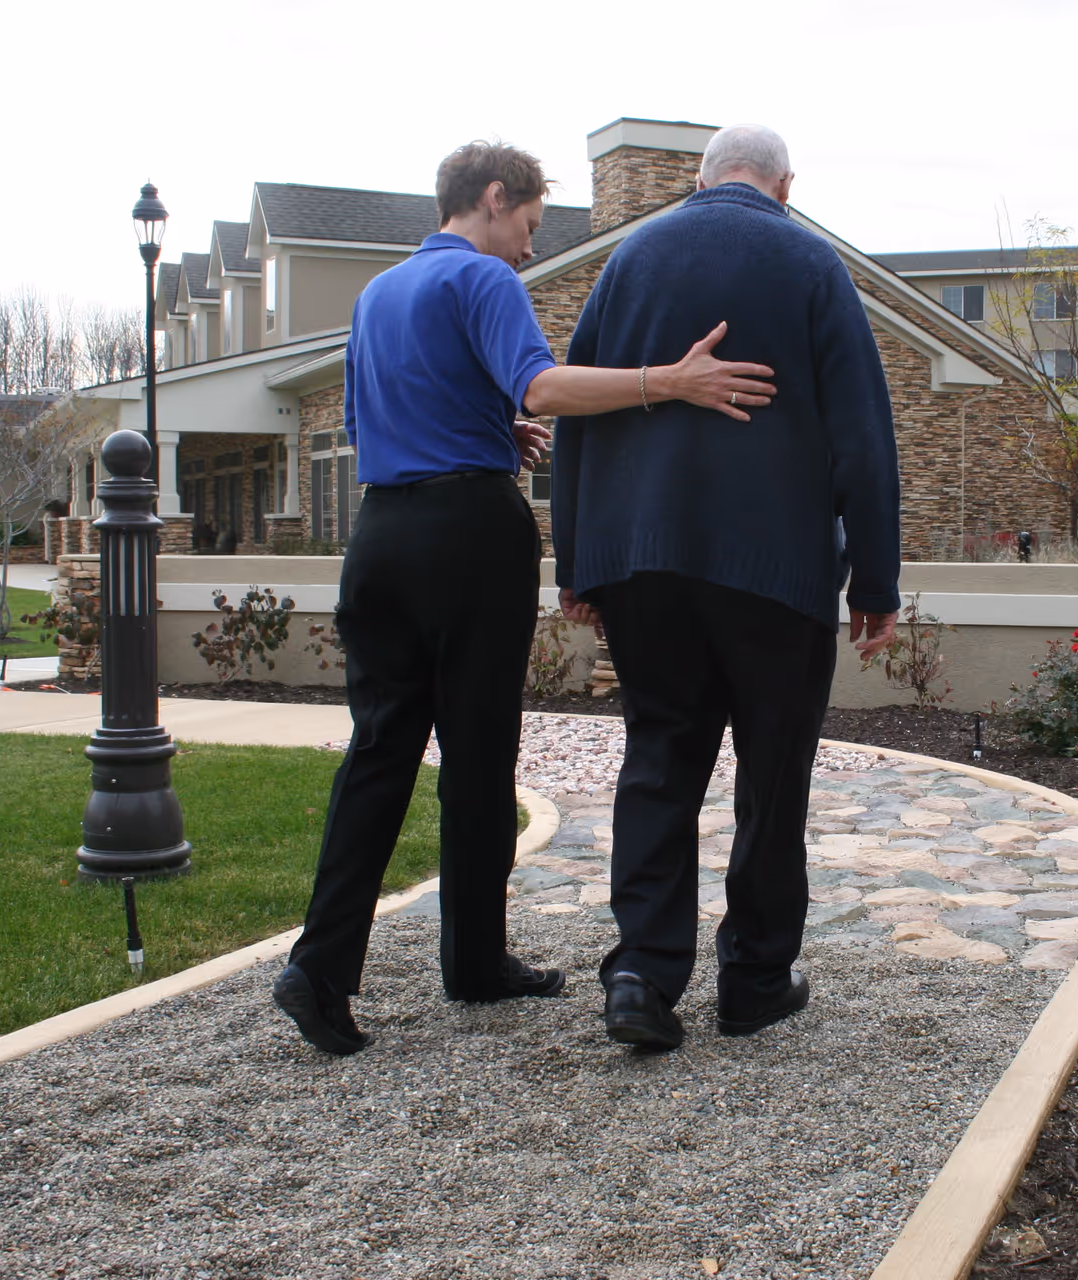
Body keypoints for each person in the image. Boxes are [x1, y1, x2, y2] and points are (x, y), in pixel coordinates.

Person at [272, 140, 776, 1056]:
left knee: (380, 753)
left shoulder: (378, 295)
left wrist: (484, 425)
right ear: (494, 199)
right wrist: (670, 382)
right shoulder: (482, 281)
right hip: (468, 536)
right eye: (531, 229)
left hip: (378, 537)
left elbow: (363, 422)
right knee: (477, 752)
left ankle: (320, 967)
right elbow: (543, 386)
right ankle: (472, 960)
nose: (528, 252)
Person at [552, 125, 901, 1052]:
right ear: (785, 185)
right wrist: (875, 576)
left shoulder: (632, 258)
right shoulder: (808, 261)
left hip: (645, 564)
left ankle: (640, 974)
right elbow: (863, 433)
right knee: (773, 774)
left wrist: (577, 562)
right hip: (772, 572)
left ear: (703, 180)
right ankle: (751, 980)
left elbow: (580, 409)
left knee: (660, 760)